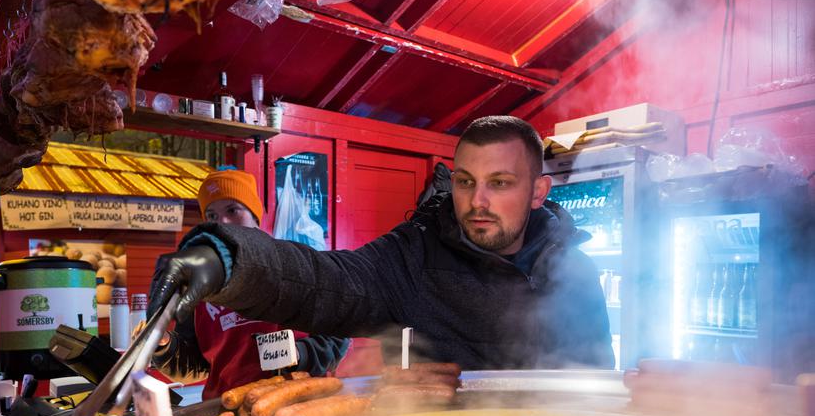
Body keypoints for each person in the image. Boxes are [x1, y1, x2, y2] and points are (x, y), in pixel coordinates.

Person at [150, 116, 613, 372]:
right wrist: (228, 257)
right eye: (466, 181)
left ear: (538, 192)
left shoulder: (575, 274)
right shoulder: (415, 255)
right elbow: (323, 282)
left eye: (501, 183)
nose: (478, 201)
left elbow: (595, 386)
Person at [149, 169, 351, 400]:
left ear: (255, 216)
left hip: (299, 403)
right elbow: (196, 364)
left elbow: (338, 336)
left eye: (233, 210)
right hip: (226, 407)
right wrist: (163, 344)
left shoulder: (294, 264)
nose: (223, 223)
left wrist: (299, 353)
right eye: (212, 216)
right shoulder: (200, 284)